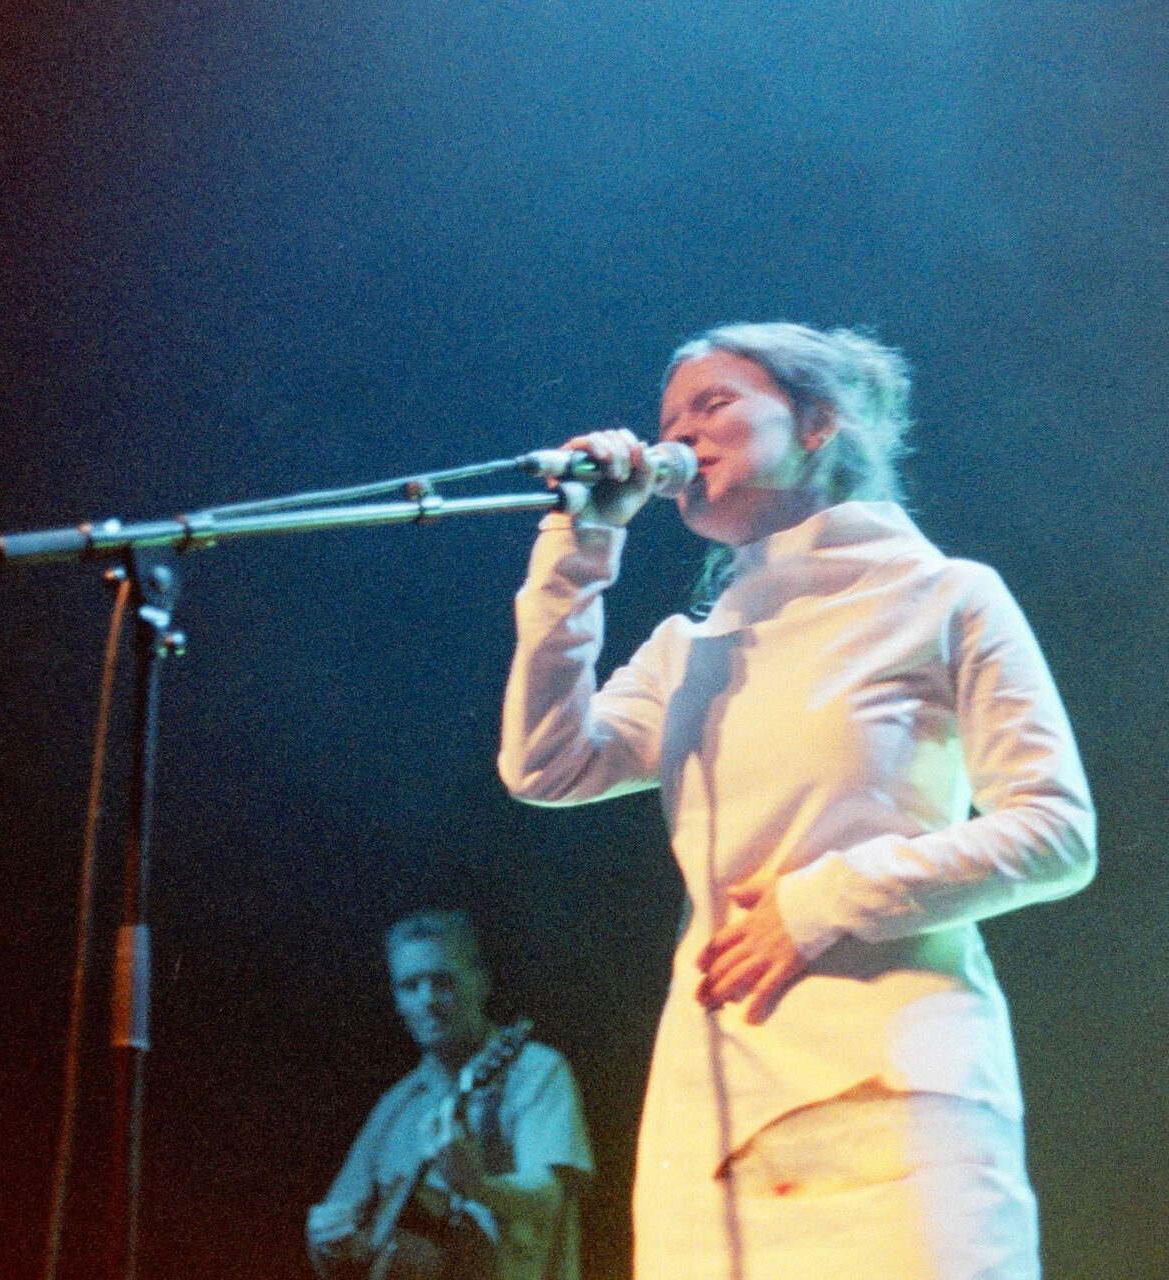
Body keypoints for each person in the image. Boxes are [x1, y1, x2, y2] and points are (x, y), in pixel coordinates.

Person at [498, 323, 1095, 1279]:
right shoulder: (688, 648)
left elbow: (1056, 832)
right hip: (723, 1094)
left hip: (895, 1077)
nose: (681, 433)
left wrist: (819, 903)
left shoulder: (946, 597)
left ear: (817, 424)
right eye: (668, 419)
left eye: (714, 403)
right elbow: (545, 765)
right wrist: (582, 542)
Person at [307, 910, 594, 1280]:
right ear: (397, 999)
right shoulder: (395, 1105)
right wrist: (323, 1241)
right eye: (410, 986)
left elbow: (548, 1196)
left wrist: (478, 1186)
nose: (427, 1000)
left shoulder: (535, 1069)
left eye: (442, 981)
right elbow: (343, 1230)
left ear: (481, 982)